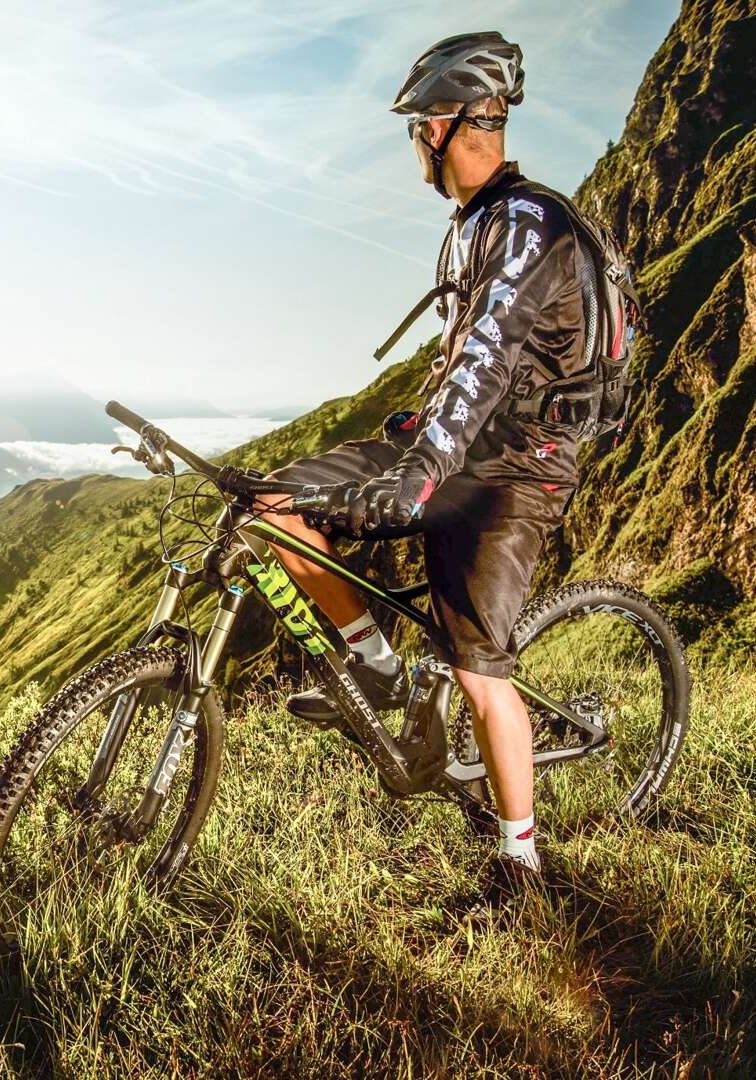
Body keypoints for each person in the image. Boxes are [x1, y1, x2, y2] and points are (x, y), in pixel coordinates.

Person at [259, 31, 594, 897]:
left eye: (418, 127)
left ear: (448, 125)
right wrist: (410, 444)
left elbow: (486, 358)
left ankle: (521, 861)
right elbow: (462, 371)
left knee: (482, 669)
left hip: (522, 465)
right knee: (272, 505)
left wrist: (413, 479)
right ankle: (375, 670)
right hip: (453, 444)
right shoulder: (472, 227)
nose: (415, 143)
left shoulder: (528, 225)